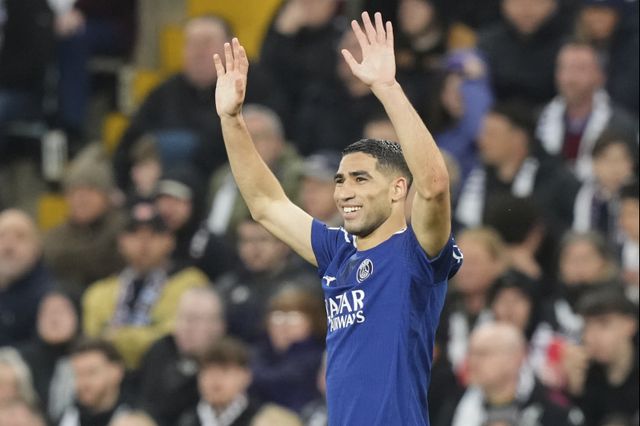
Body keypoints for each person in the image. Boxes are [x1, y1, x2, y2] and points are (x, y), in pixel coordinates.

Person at [213, 11, 462, 424]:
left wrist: (387, 88)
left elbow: (434, 186)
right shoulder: (337, 252)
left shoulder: (417, 252)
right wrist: (231, 120)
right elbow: (266, 204)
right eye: (340, 180)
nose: (344, 191)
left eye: (361, 179)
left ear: (398, 189)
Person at [82, 204, 207, 369]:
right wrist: (147, 335)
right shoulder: (99, 292)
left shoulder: (190, 283)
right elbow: (93, 344)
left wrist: (118, 336)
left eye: (154, 234)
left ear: (170, 240)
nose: (144, 243)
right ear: (121, 241)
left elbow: (172, 339)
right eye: (134, 234)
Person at [442, 322, 585, 426]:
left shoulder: (554, 411)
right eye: (471, 353)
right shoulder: (453, 406)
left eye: (483, 353)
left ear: (516, 358)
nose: (472, 362)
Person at [535, 41, 637, 181]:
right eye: (565, 68)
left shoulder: (622, 125)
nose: (570, 78)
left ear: (600, 76)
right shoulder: (538, 119)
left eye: (580, 69)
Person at [43, 145, 126, 299]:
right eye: (74, 191)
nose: (81, 199)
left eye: (90, 190)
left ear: (107, 196)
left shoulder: (123, 229)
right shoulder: (54, 236)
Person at [138, 287, 226, 426]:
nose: (186, 327)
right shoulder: (161, 349)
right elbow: (139, 394)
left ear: (218, 327)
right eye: (182, 317)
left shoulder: (227, 363)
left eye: (194, 320)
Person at [564, 289, 638, 426]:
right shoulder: (586, 373)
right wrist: (575, 391)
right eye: (587, 326)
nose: (591, 336)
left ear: (630, 326)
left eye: (604, 324)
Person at [250, 287, 326, 413]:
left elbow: (283, 380)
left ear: (312, 322)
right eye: (278, 316)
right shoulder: (256, 354)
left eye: (293, 317)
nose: (284, 324)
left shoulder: (319, 357)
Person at [18, 292, 80, 421]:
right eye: (46, 313)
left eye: (61, 311)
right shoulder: (21, 361)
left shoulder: (94, 356)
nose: (54, 319)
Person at [177, 337, 263, 426]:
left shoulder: (261, 417)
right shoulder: (186, 419)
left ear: (245, 376)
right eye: (208, 370)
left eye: (224, 370)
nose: (215, 378)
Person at [0, 209, 53, 346]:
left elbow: (47, 349)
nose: (8, 246)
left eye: (20, 237)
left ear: (37, 248)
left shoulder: (51, 297)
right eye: (1, 236)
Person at [58, 339, 130, 426]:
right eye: (77, 374)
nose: (83, 382)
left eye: (91, 372)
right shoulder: (68, 416)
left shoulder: (135, 416)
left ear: (116, 371)